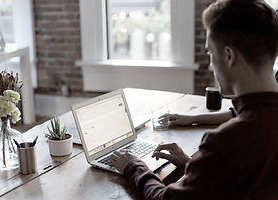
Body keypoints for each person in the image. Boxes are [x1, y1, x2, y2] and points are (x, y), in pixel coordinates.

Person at [110, 0, 278, 199]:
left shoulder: (227, 142)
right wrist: (196, 166)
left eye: (210, 52)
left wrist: (133, 166)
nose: (210, 67)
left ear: (229, 56)